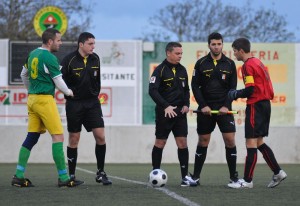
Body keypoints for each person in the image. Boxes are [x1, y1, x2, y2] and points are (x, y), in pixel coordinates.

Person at [11, 28, 83, 187]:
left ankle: (18, 175)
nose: (60, 43)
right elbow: (58, 80)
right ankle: (64, 178)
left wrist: (30, 90)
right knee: (58, 137)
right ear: (50, 41)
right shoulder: (49, 57)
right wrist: (69, 92)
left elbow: (24, 74)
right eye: (58, 40)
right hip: (44, 101)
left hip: (32, 100)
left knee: (32, 137)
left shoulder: (32, 54)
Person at [227, 37, 287, 189]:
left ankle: (247, 181)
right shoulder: (258, 62)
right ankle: (278, 172)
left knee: (250, 142)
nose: (234, 54)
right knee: (259, 142)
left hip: (256, 105)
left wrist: (235, 94)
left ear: (241, 50)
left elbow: (250, 89)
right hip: (265, 104)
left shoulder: (247, 65)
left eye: (234, 51)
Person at [60, 32, 112, 185]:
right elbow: (60, 81)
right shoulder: (68, 60)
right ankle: (71, 175)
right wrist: (69, 95)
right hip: (74, 104)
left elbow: (97, 80)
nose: (93, 47)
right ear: (81, 44)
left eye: (94, 44)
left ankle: (101, 173)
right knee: (74, 139)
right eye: (90, 44)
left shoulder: (95, 58)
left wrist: (95, 95)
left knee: (101, 136)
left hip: (92, 103)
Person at [191, 32, 238, 185]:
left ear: (222, 45)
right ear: (209, 45)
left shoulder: (230, 64)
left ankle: (233, 177)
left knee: (230, 141)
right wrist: (203, 105)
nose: (216, 46)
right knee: (203, 141)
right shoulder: (201, 63)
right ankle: (196, 177)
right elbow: (195, 86)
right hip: (206, 110)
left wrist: (226, 106)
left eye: (219, 44)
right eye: (213, 44)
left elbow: (233, 88)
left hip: (224, 109)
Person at [149, 42, 197, 187]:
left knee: (182, 143)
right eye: (177, 53)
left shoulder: (182, 70)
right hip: (165, 113)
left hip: (180, 114)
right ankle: (154, 174)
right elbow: (152, 90)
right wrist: (166, 106)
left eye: (181, 53)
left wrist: (186, 105)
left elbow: (186, 90)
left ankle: (185, 177)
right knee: (160, 143)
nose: (180, 56)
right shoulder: (160, 70)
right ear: (168, 53)